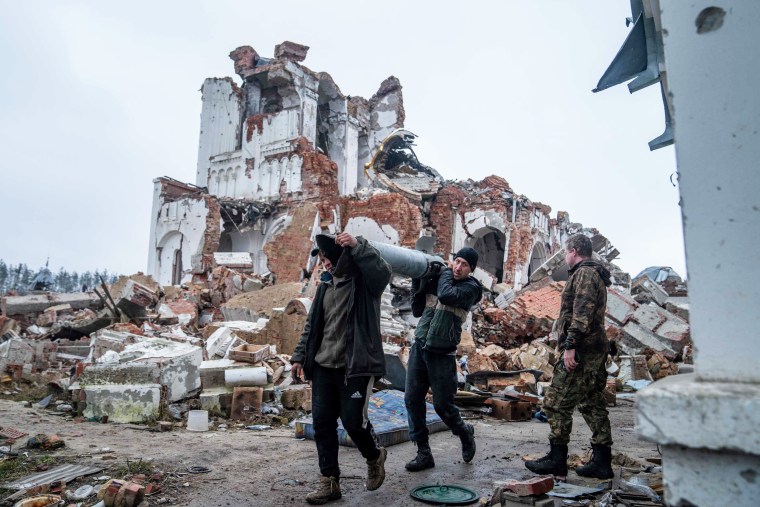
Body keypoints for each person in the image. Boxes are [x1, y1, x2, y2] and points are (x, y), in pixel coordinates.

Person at [291, 232, 392, 505]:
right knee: (322, 423)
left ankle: (374, 457)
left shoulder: (365, 284)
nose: (323, 264)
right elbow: (313, 327)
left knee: (352, 422)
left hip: (355, 366)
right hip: (324, 365)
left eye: (326, 259)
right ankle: (330, 482)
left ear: (340, 258)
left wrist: (359, 245)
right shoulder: (325, 286)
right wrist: (299, 356)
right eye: (321, 260)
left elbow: (383, 272)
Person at [525, 234, 614, 480]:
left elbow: (582, 313)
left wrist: (570, 345)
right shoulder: (593, 273)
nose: (565, 257)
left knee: (555, 402)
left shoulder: (585, 274)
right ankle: (602, 462)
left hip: (583, 350)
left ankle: (557, 460)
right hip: (594, 349)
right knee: (591, 402)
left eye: (565, 252)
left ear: (574, 251)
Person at [404, 247, 482, 471]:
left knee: (443, 406)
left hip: (442, 353)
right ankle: (423, 453)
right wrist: (417, 280)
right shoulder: (439, 281)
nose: (457, 267)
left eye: (463, 265)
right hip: (420, 347)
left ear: (471, 270)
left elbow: (447, 295)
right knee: (412, 400)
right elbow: (417, 310)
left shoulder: (471, 288)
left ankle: (464, 432)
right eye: (456, 261)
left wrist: (445, 271)